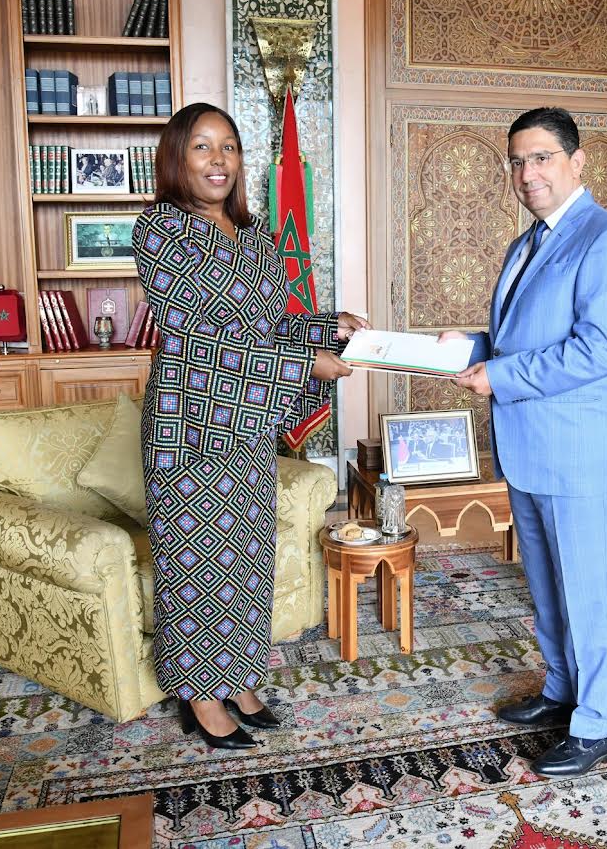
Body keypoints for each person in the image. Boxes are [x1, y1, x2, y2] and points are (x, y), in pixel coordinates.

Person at [133, 102, 368, 750]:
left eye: (229, 147)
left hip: (247, 423)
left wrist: (326, 326)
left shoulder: (256, 236)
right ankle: (198, 693)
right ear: (177, 157)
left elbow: (264, 325)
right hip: (189, 424)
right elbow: (197, 333)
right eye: (202, 146)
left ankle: (236, 676)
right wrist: (304, 362)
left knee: (245, 558)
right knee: (197, 561)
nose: (218, 160)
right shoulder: (161, 229)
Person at [440, 107, 607, 778]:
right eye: (517, 161)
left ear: (577, 162)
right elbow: (522, 338)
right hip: (528, 447)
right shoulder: (524, 244)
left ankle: (597, 725)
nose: (527, 173)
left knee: (588, 591)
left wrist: (498, 376)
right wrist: (471, 346)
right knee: (549, 586)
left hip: (579, 450)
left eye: (541, 158)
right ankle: (561, 689)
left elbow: (595, 351)